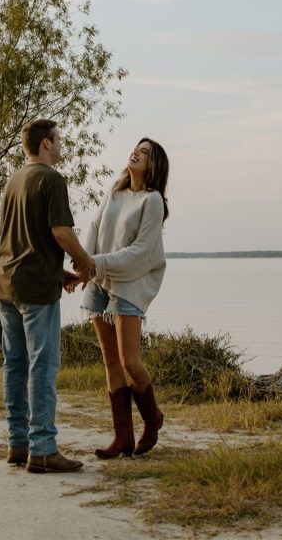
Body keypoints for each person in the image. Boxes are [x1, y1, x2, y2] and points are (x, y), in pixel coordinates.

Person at [0, 118, 93, 474]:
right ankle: (44, 449)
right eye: (58, 139)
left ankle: (18, 444)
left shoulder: (13, 180)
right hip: (35, 291)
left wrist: (59, 272)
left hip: (7, 283)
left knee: (15, 366)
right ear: (46, 144)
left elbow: (20, 236)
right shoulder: (51, 179)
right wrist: (85, 262)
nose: (61, 144)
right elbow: (60, 232)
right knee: (43, 367)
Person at [78, 137, 169, 458]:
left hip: (128, 284)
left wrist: (95, 264)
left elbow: (141, 252)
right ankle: (122, 437)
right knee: (110, 360)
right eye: (136, 148)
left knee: (130, 361)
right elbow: (93, 228)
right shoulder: (115, 193)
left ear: (153, 163)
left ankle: (152, 418)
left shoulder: (152, 200)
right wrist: (83, 266)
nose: (136, 152)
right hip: (99, 282)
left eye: (144, 152)